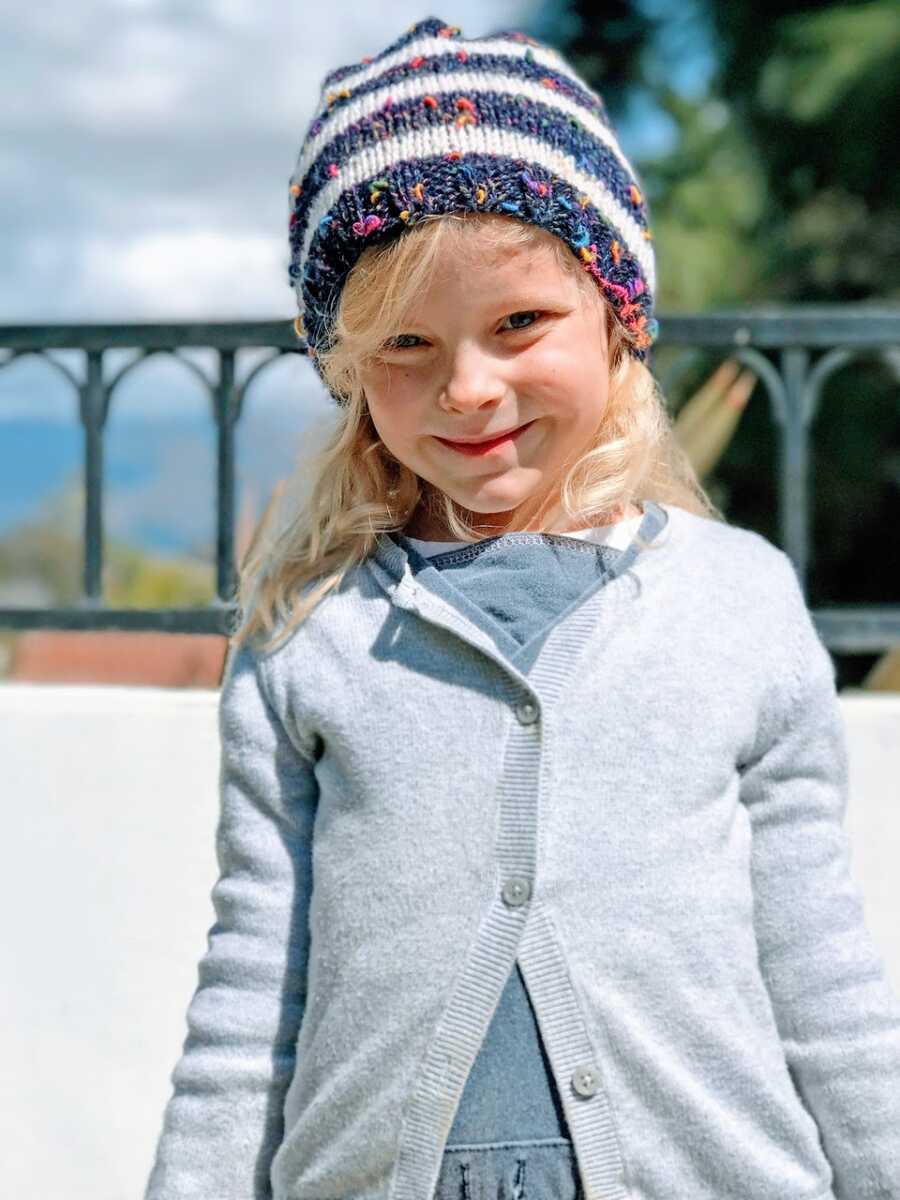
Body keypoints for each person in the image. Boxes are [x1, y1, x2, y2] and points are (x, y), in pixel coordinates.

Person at [143, 16, 900, 1200]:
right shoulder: (309, 634)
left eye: (519, 324)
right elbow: (252, 995)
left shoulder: (736, 602)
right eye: (406, 341)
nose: (467, 387)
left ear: (616, 314)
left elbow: (822, 975)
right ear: (348, 372)